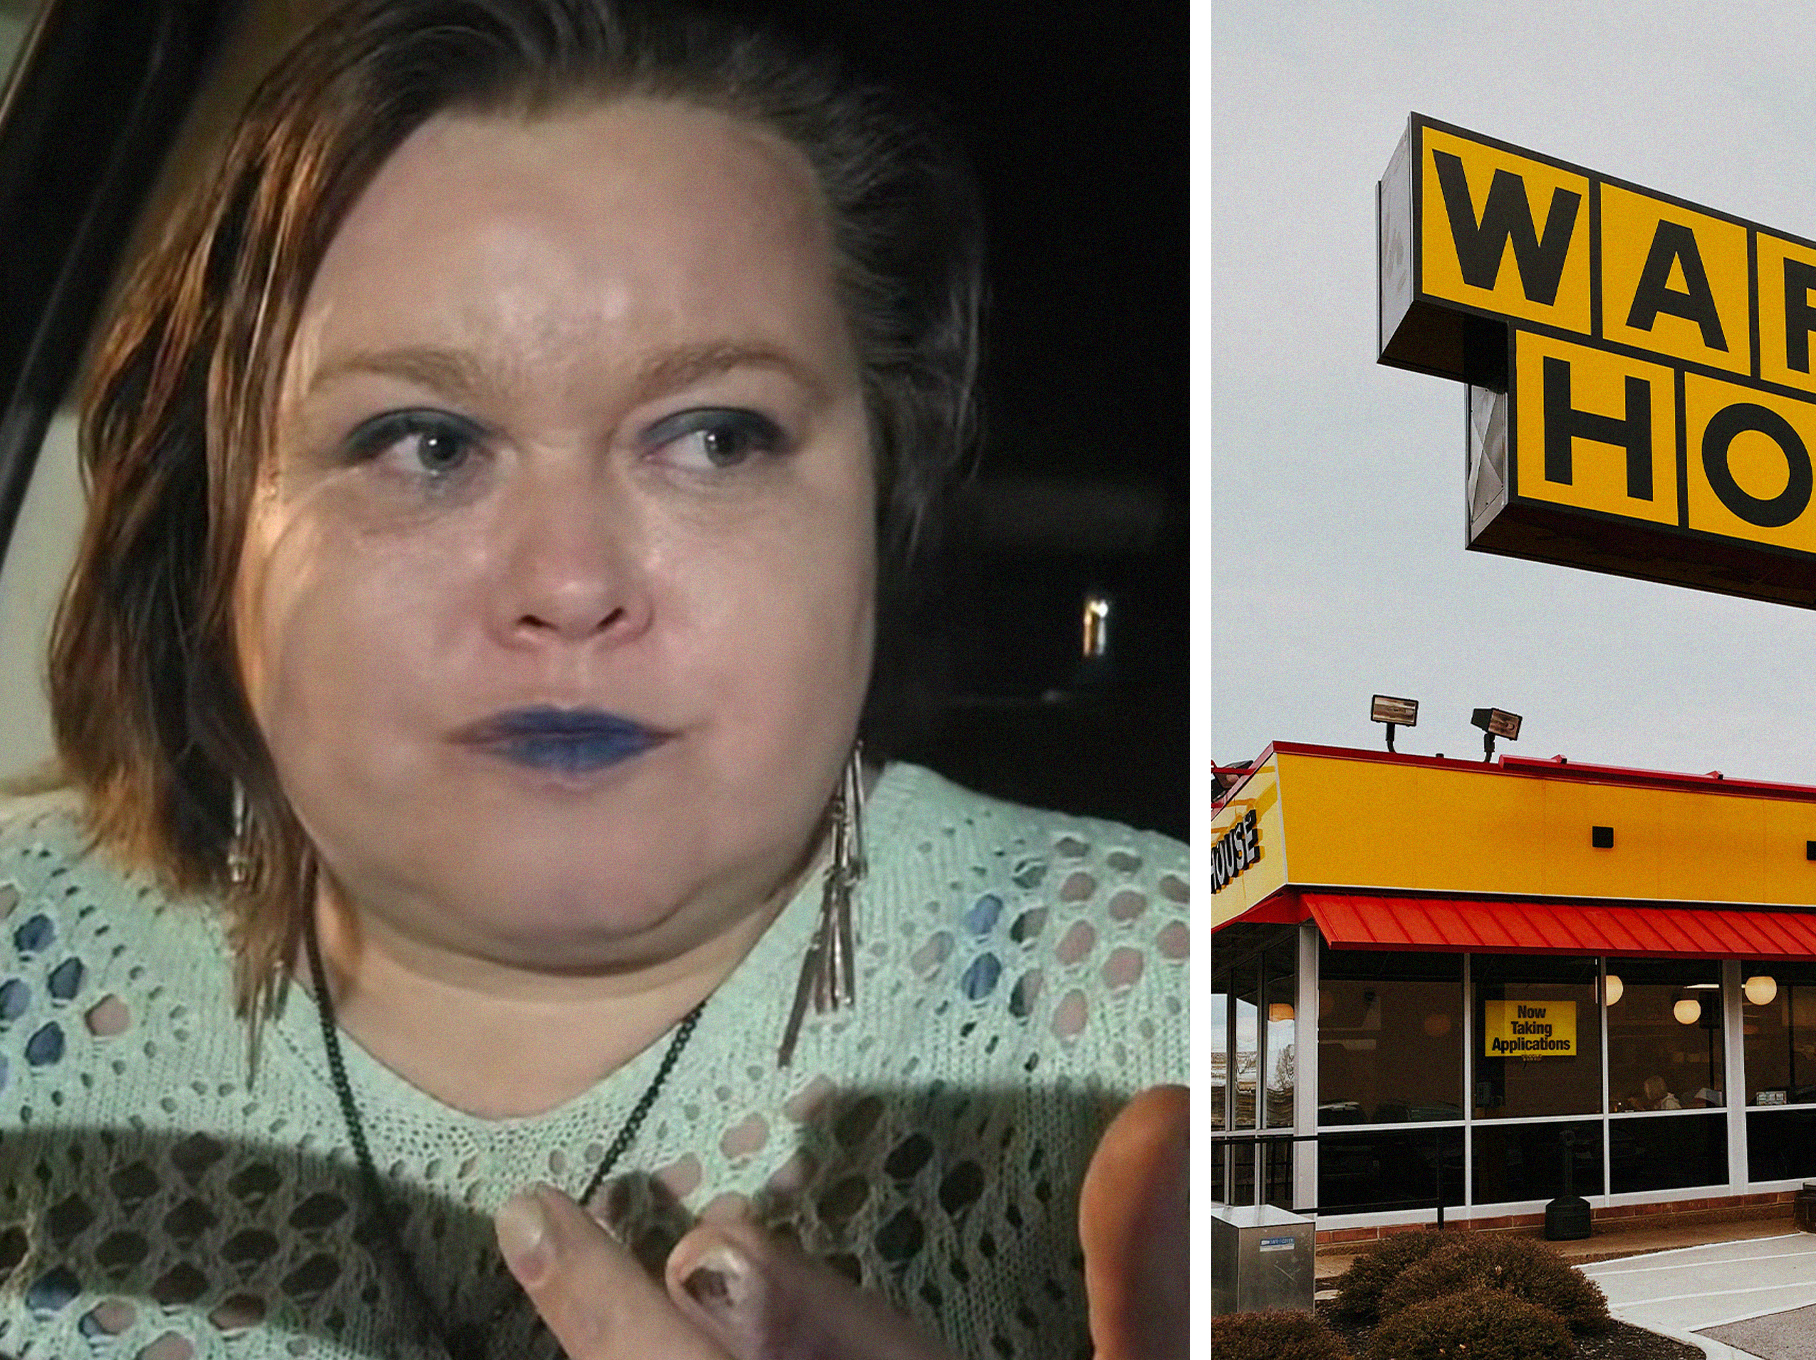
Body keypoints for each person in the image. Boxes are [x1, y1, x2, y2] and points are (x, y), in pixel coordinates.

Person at [0, 2, 1186, 1358]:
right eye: (425, 443)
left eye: (716, 438)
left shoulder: (1194, 1011)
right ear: (211, 526)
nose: (569, 584)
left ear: (884, 503)